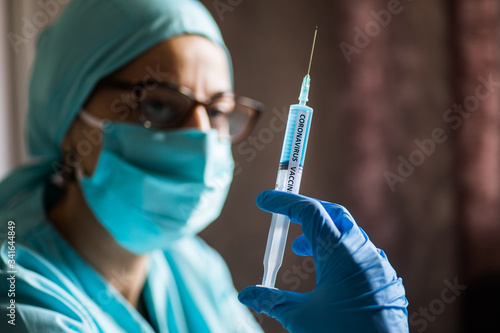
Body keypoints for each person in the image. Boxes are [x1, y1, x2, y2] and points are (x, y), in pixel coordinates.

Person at [0, 0, 409, 332]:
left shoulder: (191, 267)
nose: (202, 138)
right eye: (159, 104)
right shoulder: (17, 295)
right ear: (70, 119)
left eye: (217, 112)